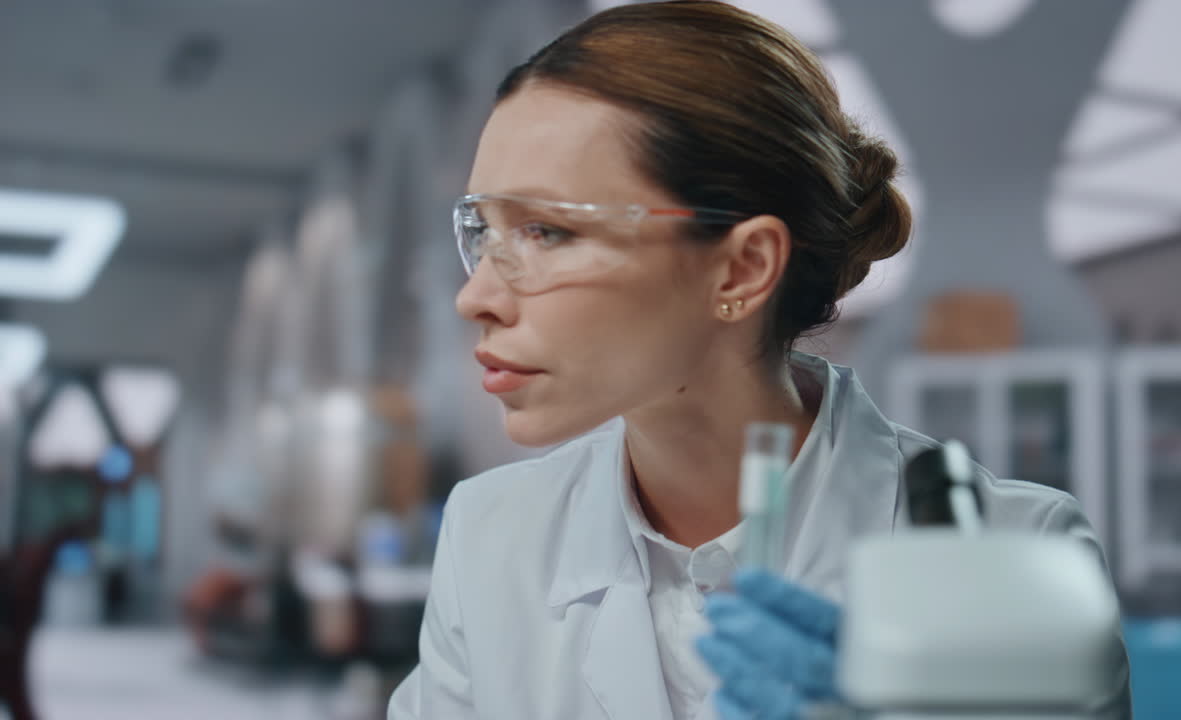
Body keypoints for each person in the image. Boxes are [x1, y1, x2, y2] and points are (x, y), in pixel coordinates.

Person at [388, 2, 1130, 719]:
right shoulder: (492, 537)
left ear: (742, 269)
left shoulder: (1018, 566)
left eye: (546, 232)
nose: (477, 297)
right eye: (483, 231)